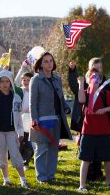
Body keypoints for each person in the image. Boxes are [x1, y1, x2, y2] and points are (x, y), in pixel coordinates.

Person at [30, 52, 72, 183]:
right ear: (40, 64)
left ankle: (50, 176)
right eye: (46, 61)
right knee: (41, 149)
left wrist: (66, 107)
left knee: (54, 148)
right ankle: (41, 177)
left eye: (51, 61)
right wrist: (34, 119)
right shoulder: (36, 79)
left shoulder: (57, 79)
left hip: (57, 119)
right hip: (42, 120)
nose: (49, 64)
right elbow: (33, 101)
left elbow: (61, 98)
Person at [77, 68, 110, 192]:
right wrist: (80, 84)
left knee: (107, 158)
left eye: (97, 77)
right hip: (88, 132)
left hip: (103, 132)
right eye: (91, 77)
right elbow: (80, 100)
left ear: (101, 81)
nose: (94, 79)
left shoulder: (105, 93)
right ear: (87, 80)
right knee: (85, 159)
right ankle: (82, 185)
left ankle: (109, 182)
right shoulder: (85, 93)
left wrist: (105, 110)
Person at [68, 58, 110, 181]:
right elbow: (75, 87)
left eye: (99, 68)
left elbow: (109, 102)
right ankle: (88, 174)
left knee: (99, 152)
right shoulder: (86, 82)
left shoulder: (105, 84)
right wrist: (72, 71)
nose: (97, 70)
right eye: (94, 67)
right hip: (85, 124)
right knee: (86, 151)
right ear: (89, 68)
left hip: (100, 125)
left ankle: (97, 171)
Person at [0, 69, 29, 188]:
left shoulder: (16, 98)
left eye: (7, 81)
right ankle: (6, 179)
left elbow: (19, 117)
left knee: (15, 154)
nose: (5, 84)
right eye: (2, 82)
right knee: (1, 155)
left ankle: (23, 179)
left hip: (12, 131)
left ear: (11, 83)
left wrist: (20, 132)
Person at [19, 72, 34, 171]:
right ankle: (23, 161)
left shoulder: (34, 91)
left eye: (28, 80)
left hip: (31, 121)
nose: (26, 82)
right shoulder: (20, 91)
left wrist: (30, 110)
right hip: (21, 121)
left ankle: (27, 160)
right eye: (24, 80)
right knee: (21, 141)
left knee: (29, 142)